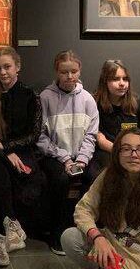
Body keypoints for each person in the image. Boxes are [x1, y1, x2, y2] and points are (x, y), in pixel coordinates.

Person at [61, 128, 140, 269]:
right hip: (111, 246)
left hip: (139, 260)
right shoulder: (108, 176)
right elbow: (83, 209)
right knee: (70, 237)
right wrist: (98, 237)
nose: (134, 154)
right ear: (118, 153)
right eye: (126, 149)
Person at [0, 47, 45, 267]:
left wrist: (7, 148)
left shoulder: (31, 95)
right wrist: (4, 151)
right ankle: (10, 225)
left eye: (7, 67)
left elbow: (33, 135)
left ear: (17, 67)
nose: (3, 72)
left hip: (22, 152)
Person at [37, 50, 99, 255]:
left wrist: (81, 160)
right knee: (61, 181)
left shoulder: (88, 99)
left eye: (74, 71)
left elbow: (91, 134)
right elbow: (40, 136)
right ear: (57, 72)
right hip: (54, 156)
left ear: (79, 71)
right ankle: (58, 232)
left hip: (81, 157)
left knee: (95, 179)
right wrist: (64, 158)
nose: (69, 76)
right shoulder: (45, 98)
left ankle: (85, 230)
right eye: (64, 72)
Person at [93, 59, 140, 171]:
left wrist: (138, 153)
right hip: (107, 152)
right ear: (105, 81)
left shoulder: (138, 102)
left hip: (134, 152)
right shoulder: (95, 103)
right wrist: (122, 152)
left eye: (125, 79)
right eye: (115, 79)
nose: (122, 83)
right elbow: (100, 139)